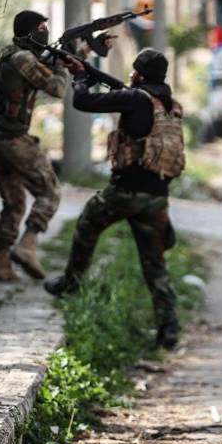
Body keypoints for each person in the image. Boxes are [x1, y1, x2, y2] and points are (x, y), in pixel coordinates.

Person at [44, 49, 186, 350]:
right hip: (157, 196)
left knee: (87, 223)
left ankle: (71, 282)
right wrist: (91, 72)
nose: (130, 75)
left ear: (140, 74)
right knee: (155, 264)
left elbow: (83, 101)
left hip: (126, 191)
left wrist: (80, 77)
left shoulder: (135, 99)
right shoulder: (170, 105)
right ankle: (169, 329)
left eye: (134, 71)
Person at [0, 10, 69, 282]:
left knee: (14, 201)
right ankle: (27, 245)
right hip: (13, 138)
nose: (46, 31)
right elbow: (57, 88)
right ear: (31, 32)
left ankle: (1, 265)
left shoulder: (8, 54)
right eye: (42, 27)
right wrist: (64, 63)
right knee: (50, 191)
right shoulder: (23, 58)